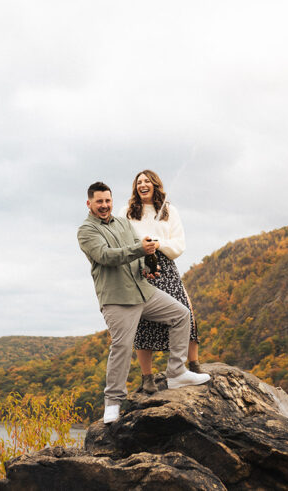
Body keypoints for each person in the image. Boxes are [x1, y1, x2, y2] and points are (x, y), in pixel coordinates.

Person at [77, 181, 210, 423]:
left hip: (142, 290)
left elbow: (135, 254)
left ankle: (177, 372)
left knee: (181, 314)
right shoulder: (86, 231)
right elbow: (106, 256)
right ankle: (113, 402)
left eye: (108, 201)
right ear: (89, 203)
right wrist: (140, 250)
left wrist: (146, 268)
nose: (105, 205)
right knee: (122, 346)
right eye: (99, 202)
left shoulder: (122, 223)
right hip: (117, 298)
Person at [124, 170, 202, 395]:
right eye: (139, 182)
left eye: (147, 181)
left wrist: (157, 243)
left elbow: (179, 244)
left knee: (186, 312)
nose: (143, 185)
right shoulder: (127, 212)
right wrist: (140, 246)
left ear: (155, 184)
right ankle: (147, 377)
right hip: (138, 268)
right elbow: (122, 240)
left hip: (165, 267)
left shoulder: (169, 210)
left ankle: (193, 365)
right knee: (142, 321)